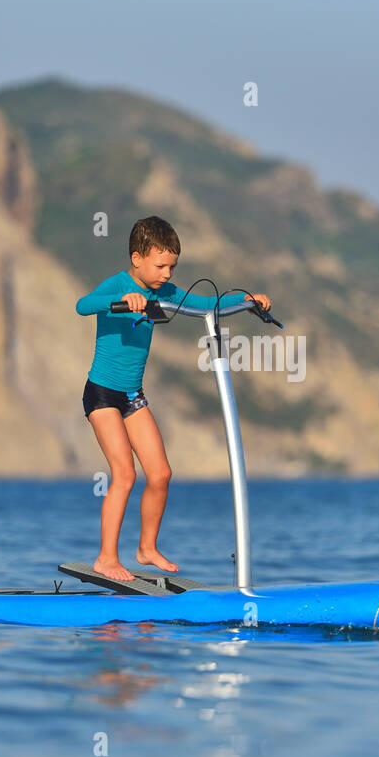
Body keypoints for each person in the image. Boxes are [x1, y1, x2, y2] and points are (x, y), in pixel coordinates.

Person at [76, 216, 271, 583]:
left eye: (172, 267)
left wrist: (246, 300)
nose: (167, 274)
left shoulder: (164, 293)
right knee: (123, 473)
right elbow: (83, 305)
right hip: (102, 393)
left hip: (133, 396)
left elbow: (205, 302)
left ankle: (146, 549)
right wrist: (122, 299)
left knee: (162, 473)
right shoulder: (119, 284)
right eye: (160, 265)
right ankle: (106, 558)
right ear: (137, 258)